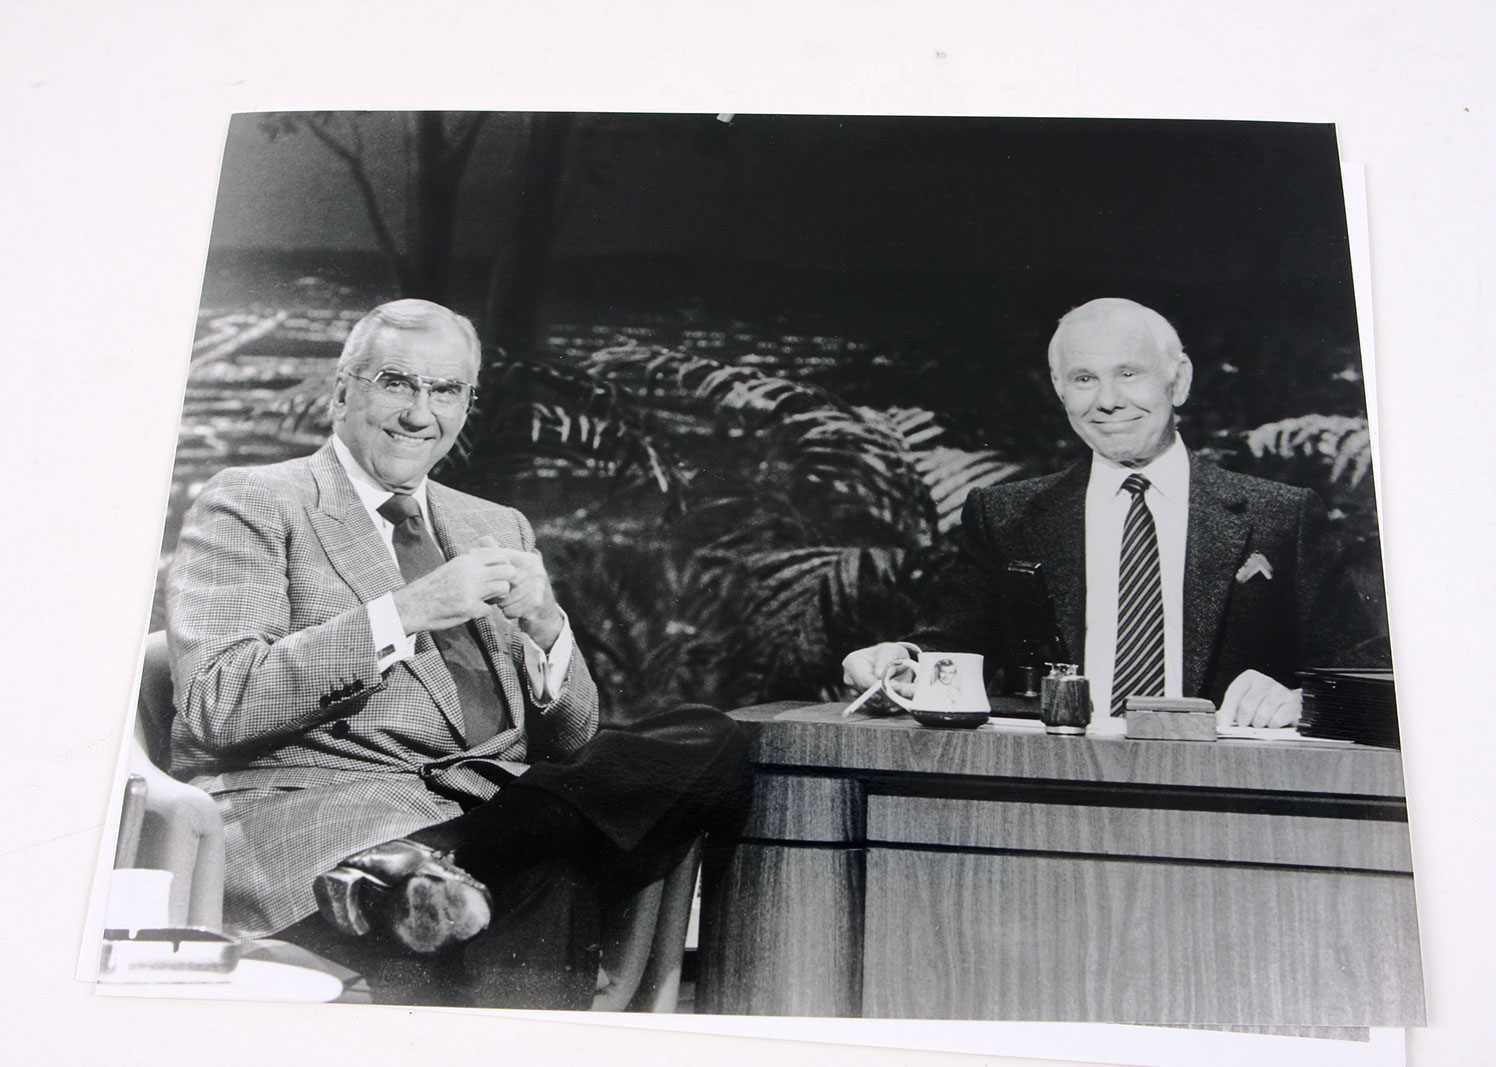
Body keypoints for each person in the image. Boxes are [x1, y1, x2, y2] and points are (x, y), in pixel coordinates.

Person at [166, 299, 747, 1007]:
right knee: (555, 876)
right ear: (343, 390)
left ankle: (438, 861)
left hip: (491, 811)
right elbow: (217, 705)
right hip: (324, 825)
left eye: (444, 390)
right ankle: (420, 868)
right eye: (396, 382)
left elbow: (571, 742)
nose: (420, 412)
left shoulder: (494, 524)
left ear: (467, 403)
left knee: (711, 738)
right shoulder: (255, 502)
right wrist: (407, 610)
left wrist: (545, 624)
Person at [842, 297, 1388, 728]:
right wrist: (900, 665)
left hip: (1226, 792)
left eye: (1130, 373)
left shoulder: (1282, 517)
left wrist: (1299, 699)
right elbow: (949, 651)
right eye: (1083, 379)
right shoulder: (1005, 516)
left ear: (1180, 380)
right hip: (1053, 788)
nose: (1107, 400)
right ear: (1059, 391)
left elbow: (1365, 673)